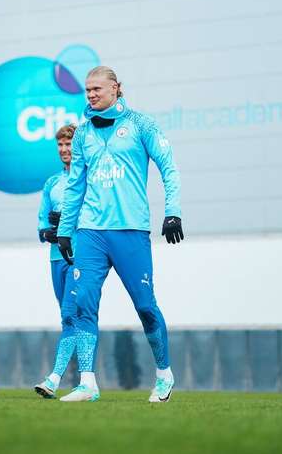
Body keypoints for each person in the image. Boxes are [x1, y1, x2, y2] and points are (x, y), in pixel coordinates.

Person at [56, 66, 183, 403]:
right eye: (87, 91)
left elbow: (169, 168)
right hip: (91, 231)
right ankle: (87, 383)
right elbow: (75, 186)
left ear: (116, 88)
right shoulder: (82, 133)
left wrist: (173, 212)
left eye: (97, 89)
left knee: (145, 306)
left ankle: (163, 375)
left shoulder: (142, 124)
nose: (91, 95)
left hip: (131, 230)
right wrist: (65, 231)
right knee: (83, 303)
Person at [33, 124, 79, 399]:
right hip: (55, 258)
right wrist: (47, 232)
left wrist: (65, 223)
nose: (64, 150)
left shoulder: (85, 178)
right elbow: (42, 220)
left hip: (79, 256)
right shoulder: (52, 183)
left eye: (69, 144)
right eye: (60, 145)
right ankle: (87, 378)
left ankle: (53, 378)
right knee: (69, 320)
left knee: (70, 316)